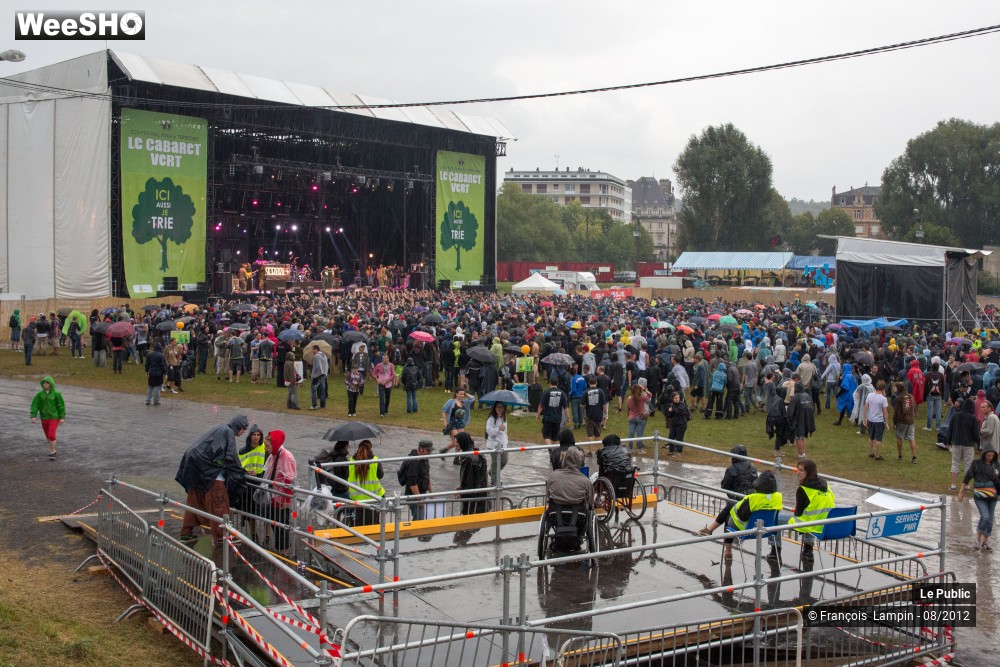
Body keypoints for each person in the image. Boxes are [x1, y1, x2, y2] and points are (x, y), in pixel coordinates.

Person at [175, 415, 249, 547]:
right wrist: (241, 472)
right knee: (220, 504)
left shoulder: (220, 428)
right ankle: (221, 537)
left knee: (193, 503)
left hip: (195, 468)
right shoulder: (228, 432)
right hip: (211, 474)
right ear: (239, 427)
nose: (243, 432)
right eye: (244, 429)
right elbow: (231, 456)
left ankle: (186, 533)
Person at [723, 471, 782, 563]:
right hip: (768, 530)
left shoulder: (752, 498)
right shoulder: (778, 496)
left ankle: (728, 551)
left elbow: (742, 517)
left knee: (727, 518)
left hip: (749, 531)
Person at [698, 445, 758, 536]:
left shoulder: (732, 469)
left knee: (729, 509)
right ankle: (712, 531)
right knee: (730, 507)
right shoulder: (753, 468)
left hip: (739, 503)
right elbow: (756, 485)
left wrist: (732, 495)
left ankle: (712, 531)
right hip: (752, 501)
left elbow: (724, 485)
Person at [786, 458, 835, 567]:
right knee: (810, 521)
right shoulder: (825, 485)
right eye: (797, 469)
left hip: (810, 525)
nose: (797, 472)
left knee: (775, 520)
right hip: (826, 525)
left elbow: (798, 513)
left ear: (809, 472)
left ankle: (774, 552)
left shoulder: (803, 489)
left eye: (801, 470)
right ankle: (808, 551)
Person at [957, 444, 1000, 551]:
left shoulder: (996, 465)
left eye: (992, 456)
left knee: (990, 520)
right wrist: (961, 492)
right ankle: (977, 539)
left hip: (993, 496)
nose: (990, 457)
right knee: (985, 517)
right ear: (984, 454)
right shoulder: (976, 464)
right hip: (979, 496)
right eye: (988, 455)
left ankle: (986, 541)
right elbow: (967, 478)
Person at [261, 430, 296, 552]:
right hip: (273, 498)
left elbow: (289, 479)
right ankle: (281, 551)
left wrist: (286, 499)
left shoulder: (286, 457)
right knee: (275, 525)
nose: (265, 448)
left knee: (282, 529)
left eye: (267, 445)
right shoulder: (274, 455)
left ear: (275, 444)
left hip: (281, 501)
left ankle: (284, 553)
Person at [348, 440, 385, 525]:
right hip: (373, 499)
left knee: (357, 526)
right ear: (370, 448)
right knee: (373, 525)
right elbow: (381, 475)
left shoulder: (351, 461)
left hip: (356, 500)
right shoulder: (375, 460)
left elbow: (347, 476)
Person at [30, 376, 66, 460]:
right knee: (48, 436)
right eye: (44, 383)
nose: (45, 384)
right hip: (44, 418)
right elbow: (35, 405)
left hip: (54, 417)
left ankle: (52, 451)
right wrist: (33, 415)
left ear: (51, 384)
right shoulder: (39, 395)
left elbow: (61, 406)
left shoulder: (57, 394)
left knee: (51, 435)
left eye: (47, 383)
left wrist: (62, 417)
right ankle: (52, 450)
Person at [950, 399, 980, 491]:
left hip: (956, 442)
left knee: (955, 463)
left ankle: (953, 485)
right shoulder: (973, 418)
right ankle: (966, 485)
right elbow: (976, 434)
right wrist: (977, 443)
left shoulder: (955, 415)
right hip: (969, 444)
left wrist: (948, 441)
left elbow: (950, 429)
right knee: (968, 464)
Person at [457, 432, 489, 514]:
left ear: (463, 442)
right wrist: (462, 487)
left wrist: (463, 493)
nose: (455, 444)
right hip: (480, 496)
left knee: (472, 522)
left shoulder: (469, 458)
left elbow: (470, 480)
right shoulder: (475, 453)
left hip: (474, 500)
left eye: (457, 442)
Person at [402, 440, 434, 520]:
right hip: (415, 496)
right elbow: (412, 483)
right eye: (428, 450)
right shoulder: (414, 461)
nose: (430, 453)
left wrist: (431, 493)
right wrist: (419, 499)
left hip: (421, 494)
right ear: (421, 449)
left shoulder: (424, 458)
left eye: (431, 450)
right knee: (419, 520)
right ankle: (413, 532)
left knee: (420, 519)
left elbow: (427, 476)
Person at [787, 375, 816, 459]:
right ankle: (803, 453)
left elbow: (790, 411)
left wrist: (789, 419)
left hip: (798, 420)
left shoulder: (796, 397)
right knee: (802, 436)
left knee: (798, 436)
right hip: (807, 419)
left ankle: (801, 454)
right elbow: (812, 408)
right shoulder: (808, 396)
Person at [537, 377, 570, 445]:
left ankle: (551, 452)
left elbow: (541, 405)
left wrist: (538, 414)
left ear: (550, 383)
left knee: (546, 436)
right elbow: (566, 407)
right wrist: (568, 417)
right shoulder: (562, 393)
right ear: (557, 383)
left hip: (548, 418)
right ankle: (557, 453)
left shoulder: (546, 392)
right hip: (557, 419)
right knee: (555, 438)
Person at [582, 375, 609, 454]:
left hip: (589, 416)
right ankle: (598, 451)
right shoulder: (601, 391)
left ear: (588, 383)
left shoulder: (586, 392)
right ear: (596, 383)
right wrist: (606, 414)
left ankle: (590, 452)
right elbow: (604, 405)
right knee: (597, 434)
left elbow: (582, 405)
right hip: (598, 415)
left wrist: (584, 408)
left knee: (590, 435)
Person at [892, 381, 918, 463]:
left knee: (899, 437)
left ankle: (900, 455)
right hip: (911, 421)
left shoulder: (898, 398)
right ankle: (914, 457)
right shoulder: (911, 396)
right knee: (912, 439)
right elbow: (914, 408)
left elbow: (896, 412)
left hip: (902, 421)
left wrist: (894, 422)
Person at [485, 402, 510, 487]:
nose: (499, 409)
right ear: (494, 408)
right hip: (493, 445)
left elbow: (505, 432)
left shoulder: (504, 418)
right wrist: (498, 428)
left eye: (501, 407)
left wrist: (506, 441)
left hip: (503, 444)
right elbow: (489, 431)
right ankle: (494, 481)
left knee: (504, 460)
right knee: (496, 462)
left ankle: (492, 472)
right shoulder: (491, 419)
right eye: (498, 407)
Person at [863, 380, 889, 460]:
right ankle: (877, 456)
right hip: (879, 421)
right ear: (883, 388)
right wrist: (886, 422)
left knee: (871, 437)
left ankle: (870, 452)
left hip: (870, 419)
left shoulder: (870, 395)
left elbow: (866, 407)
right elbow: (885, 412)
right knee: (878, 439)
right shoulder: (883, 399)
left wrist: (864, 418)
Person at [625, 381, 652, 449]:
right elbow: (650, 395)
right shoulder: (641, 398)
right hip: (640, 417)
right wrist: (645, 390)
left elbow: (628, 409)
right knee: (640, 434)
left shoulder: (629, 399)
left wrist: (628, 416)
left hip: (631, 418)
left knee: (631, 434)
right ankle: (640, 449)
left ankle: (630, 449)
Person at [664, 390, 691, 454]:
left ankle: (679, 451)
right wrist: (670, 411)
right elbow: (669, 415)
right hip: (674, 424)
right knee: (671, 437)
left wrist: (672, 409)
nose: (677, 399)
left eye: (678, 397)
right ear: (672, 399)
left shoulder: (682, 404)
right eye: (675, 398)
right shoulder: (671, 405)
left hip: (681, 424)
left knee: (679, 438)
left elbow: (679, 412)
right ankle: (671, 450)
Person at [371, 352, 397, 417]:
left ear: (388, 359)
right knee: (382, 398)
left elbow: (393, 375)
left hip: (388, 384)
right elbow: (373, 373)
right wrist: (377, 379)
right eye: (383, 358)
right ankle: (381, 413)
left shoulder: (391, 365)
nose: (384, 360)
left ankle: (386, 411)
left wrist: (387, 380)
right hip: (381, 383)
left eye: (385, 358)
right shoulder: (379, 365)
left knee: (387, 398)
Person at [309, 343, 329, 410]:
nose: (312, 351)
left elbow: (316, 367)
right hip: (324, 374)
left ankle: (314, 405)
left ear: (316, 349)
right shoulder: (324, 355)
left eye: (312, 349)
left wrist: (312, 375)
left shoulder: (316, 356)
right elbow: (326, 365)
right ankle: (323, 404)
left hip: (318, 375)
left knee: (313, 389)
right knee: (322, 389)